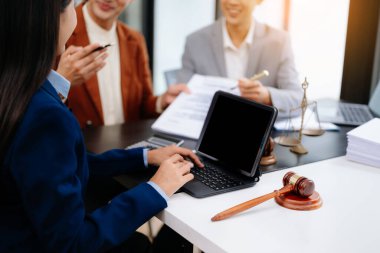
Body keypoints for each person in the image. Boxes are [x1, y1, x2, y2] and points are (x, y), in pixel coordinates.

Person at [0, 0, 203, 252]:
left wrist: (144, 156)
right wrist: (156, 188)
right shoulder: (46, 115)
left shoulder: (13, 89)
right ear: (55, 18)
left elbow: (60, 161)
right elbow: (71, 243)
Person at [57, 0, 189, 128]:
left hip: (125, 145)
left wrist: (162, 101)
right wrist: (62, 80)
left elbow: (143, 105)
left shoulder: (135, 41)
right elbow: (39, 100)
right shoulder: (60, 29)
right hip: (77, 146)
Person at [176, 0, 303, 117]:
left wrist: (267, 96)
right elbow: (180, 98)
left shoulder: (279, 42)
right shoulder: (195, 41)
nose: (232, 2)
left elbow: (298, 99)